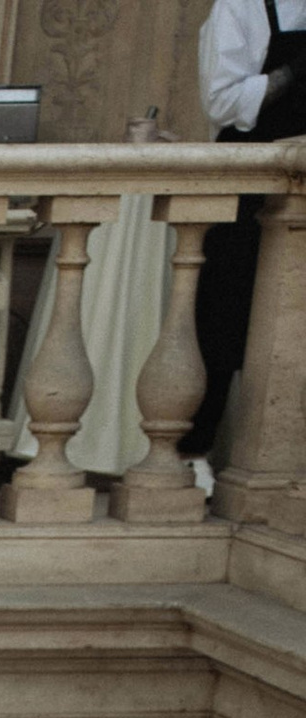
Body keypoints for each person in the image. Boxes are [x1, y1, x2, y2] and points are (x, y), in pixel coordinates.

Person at [186, 0, 306, 468]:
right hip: (248, 180)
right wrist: (292, 74)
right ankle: (196, 451)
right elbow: (221, 100)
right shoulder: (241, 5)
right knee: (224, 313)